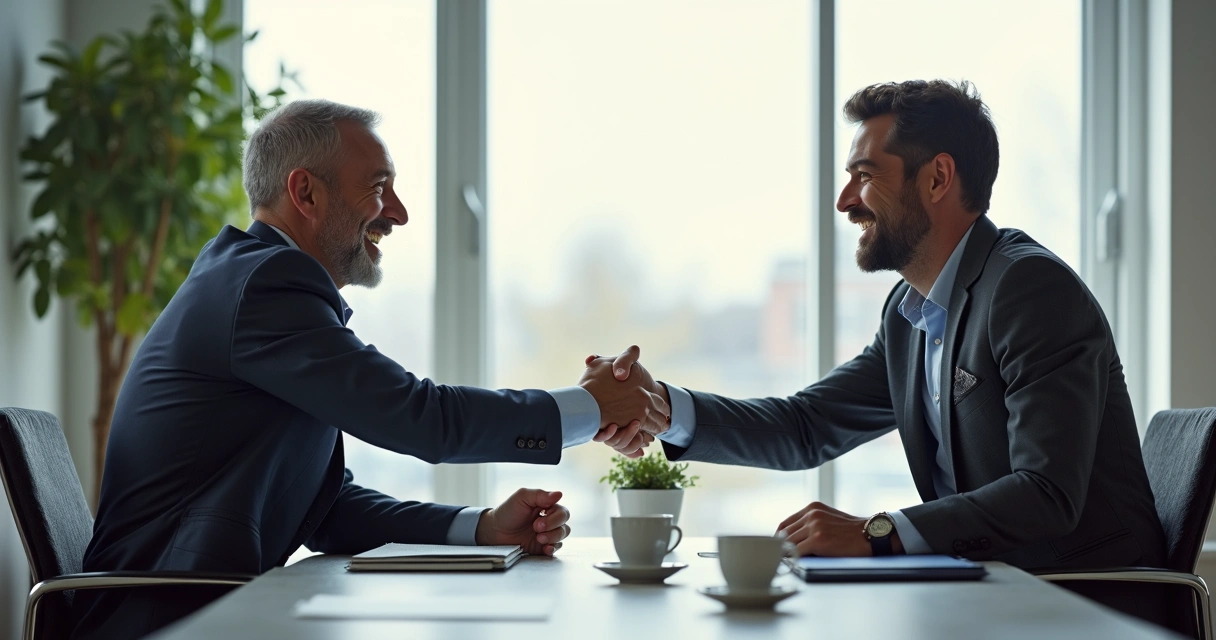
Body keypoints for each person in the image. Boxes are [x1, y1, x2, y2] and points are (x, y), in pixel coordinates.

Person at [71, 100, 669, 639]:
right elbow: (422, 418)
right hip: (164, 621)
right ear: (305, 194)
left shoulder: (253, 282)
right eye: (379, 188)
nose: (400, 214)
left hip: (198, 610)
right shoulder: (264, 289)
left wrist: (483, 528)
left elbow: (326, 508)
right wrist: (591, 407)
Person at [594, 80, 1170, 626]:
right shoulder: (910, 313)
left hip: (1086, 605)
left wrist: (878, 533)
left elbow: (1046, 495)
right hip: (990, 596)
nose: (845, 201)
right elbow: (805, 426)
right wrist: (661, 407)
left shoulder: (1027, 290)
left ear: (938, 177)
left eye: (864, 176)